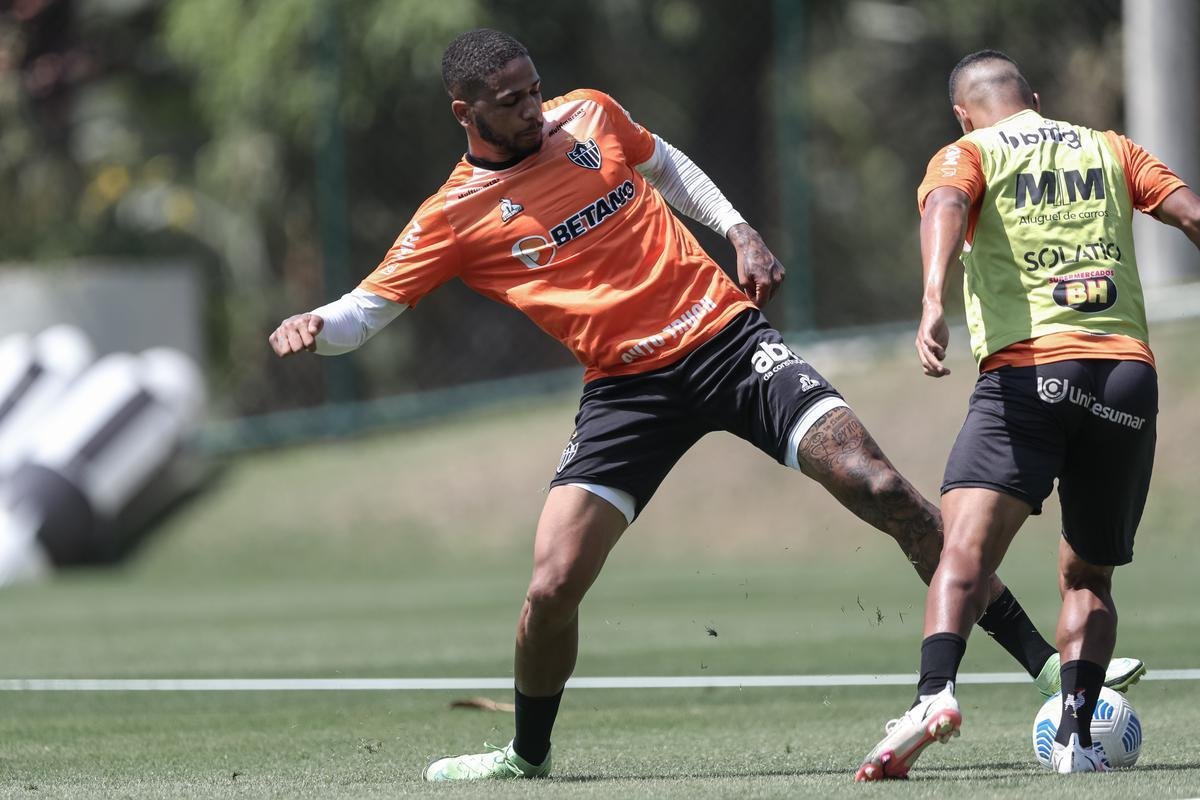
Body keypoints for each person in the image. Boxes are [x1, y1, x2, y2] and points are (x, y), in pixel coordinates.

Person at [270, 31, 1127, 782]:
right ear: (467, 112)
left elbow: (665, 162)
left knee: (880, 486)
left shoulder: (589, 116)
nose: (535, 108)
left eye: (534, 88)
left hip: (727, 341)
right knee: (551, 586)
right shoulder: (454, 215)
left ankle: (1047, 669)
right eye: (511, 101)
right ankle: (525, 758)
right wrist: (318, 323)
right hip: (625, 393)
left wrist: (739, 230)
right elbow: (366, 311)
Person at [856, 49, 1199, 780]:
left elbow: (946, 205)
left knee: (963, 551)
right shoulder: (1112, 147)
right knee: (1089, 580)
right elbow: (1191, 214)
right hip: (1124, 380)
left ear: (962, 111)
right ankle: (1077, 737)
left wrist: (930, 300)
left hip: (1031, 371)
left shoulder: (964, 153)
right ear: (1036, 98)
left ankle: (933, 696)